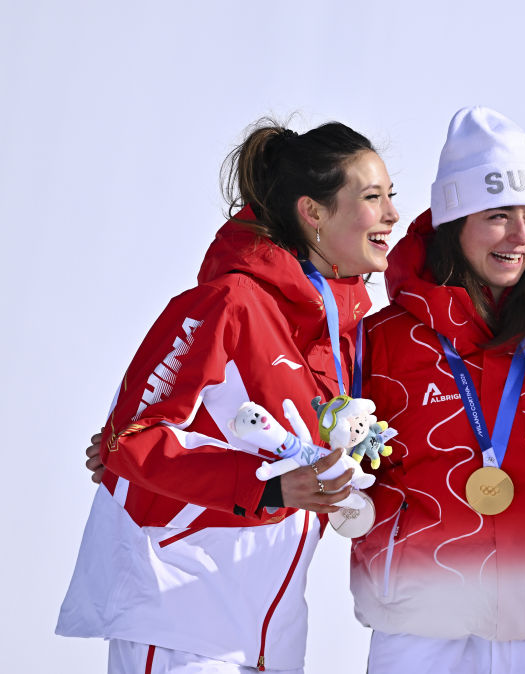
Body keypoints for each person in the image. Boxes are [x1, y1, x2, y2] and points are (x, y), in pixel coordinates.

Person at [57, 118, 399, 673]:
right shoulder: (227, 303)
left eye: (391, 196)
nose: (392, 214)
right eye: (372, 197)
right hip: (181, 620)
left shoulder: (341, 335)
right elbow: (132, 440)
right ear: (313, 212)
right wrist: (268, 489)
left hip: (272, 638)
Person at [350, 106, 525, 674]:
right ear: (454, 223)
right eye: (498, 216)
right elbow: (310, 430)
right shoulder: (383, 339)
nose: (520, 236)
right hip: (422, 620)